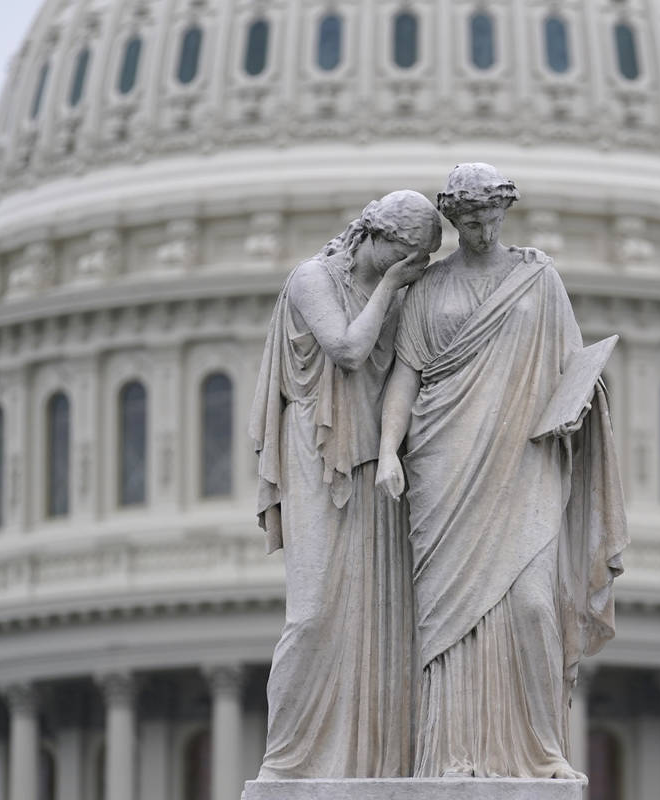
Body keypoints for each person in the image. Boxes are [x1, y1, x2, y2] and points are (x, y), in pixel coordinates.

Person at [377, 164, 628, 779]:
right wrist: (387, 451)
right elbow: (405, 376)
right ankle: (451, 756)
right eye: (469, 222)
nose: (482, 231)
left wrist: (579, 404)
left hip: (525, 459)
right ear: (452, 221)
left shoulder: (538, 280)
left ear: (505, 213)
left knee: (534, 607)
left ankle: (540, 753)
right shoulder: (429, 288)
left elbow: (576, 366)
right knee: (447, 622)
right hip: (444, 465)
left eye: (490, 219)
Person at [250, 190, 443, 778]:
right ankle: (287, 765)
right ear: (376, 237)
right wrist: (394, 287)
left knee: (378, 621)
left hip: (376, 466)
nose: (414, 271)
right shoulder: (313, 278)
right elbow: (349, 349)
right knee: (311, 616)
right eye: (409, 256)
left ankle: (374, 764)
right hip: (317, 454)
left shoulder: (404, 293)